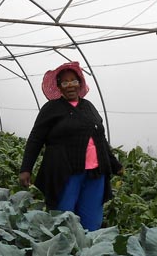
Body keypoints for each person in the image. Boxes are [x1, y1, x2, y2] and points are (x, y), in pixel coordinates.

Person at [19, 61, 123, 231]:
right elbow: (35, 139)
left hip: (95, 173)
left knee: (92, 220)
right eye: (65, 82)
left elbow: (100, 139)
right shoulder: (51, 109)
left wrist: (115, 165)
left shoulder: (88, 107)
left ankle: (86, 253)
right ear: (59, 87)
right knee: (62, 218)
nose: (70, 86)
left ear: (80, 84)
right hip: (65, 173)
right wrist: (26, 168)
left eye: (74, 81)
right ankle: (62, 253)